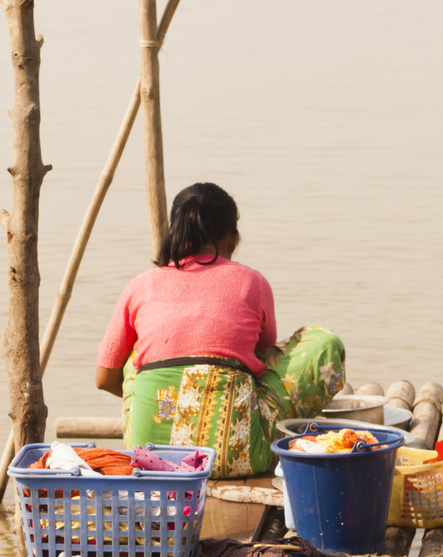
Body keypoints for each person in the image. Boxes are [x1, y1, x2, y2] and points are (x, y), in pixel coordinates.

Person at [95, 182, 346, 477]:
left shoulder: (140, 285)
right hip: (237, 457)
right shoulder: (252, 282)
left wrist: (166, 397)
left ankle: (157, 420)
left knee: (136, 353)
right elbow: (264, 362)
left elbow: (103, 378)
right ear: (232, 239)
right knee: (324, 344)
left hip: (151, 459)